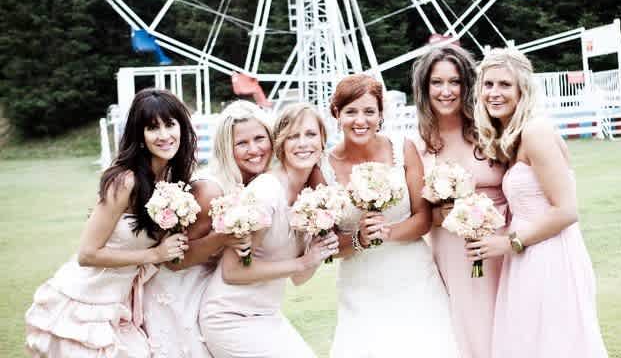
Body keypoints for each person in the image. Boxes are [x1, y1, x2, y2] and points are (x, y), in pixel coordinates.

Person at [25, 88, 197, 357]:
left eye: (170, 124)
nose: (164, 135)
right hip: (85, 303)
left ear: (182, 128)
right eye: (153, 128)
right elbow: (87, 254)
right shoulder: (124, 181)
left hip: (121, 305)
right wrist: (155, 254)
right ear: (140, 136)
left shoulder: (170, 181)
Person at [468, 48, 608, 358]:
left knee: (554, 344)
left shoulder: (536, 132)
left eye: (505, 84)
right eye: (488, 84)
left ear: (522, 90)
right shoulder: (512, 136)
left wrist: (508, 243)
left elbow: (566, 210)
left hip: (550, 254)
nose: (494, 93)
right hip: (528, 254)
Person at [320, 74, 459, 358]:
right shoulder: (323, 166)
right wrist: (359, 239)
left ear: (380, 114)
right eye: (351, 112)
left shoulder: (402, 148)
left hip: (412, 276)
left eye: (369, 111)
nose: (361, 120)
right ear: (336, 114)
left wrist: (388, 232)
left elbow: (422, 218)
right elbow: (328, 245)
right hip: (360, 283)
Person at [199, 103, 338, 358]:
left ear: (322, 140)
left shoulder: (313, 195)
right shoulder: (267, 190)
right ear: (281, 143)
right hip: (231, 317)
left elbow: (299, 279)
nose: (303, 143)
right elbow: (232, 271)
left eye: (310, 134)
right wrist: (303, 261)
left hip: (267, 314)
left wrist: (318, 252)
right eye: (293, 136)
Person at [142, 100, 272, 357]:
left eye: (259, 139)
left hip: (218, 295)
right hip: (181, 295)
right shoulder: (209, 190)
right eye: (242, 143)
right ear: (226, 148)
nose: (254, 150)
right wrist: (223, 237)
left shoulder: (260, 185)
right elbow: (176, 261)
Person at [411, 45, 507, 357]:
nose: (446, 91)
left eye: (455, 81)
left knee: (509, 323)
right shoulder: (417, 146)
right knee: (469, 328)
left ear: (467, 85)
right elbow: (417, 214)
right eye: (437, 82)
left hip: (503, 244)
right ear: (425, 88)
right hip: (454, 251)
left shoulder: (491, 132)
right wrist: (443, 214)